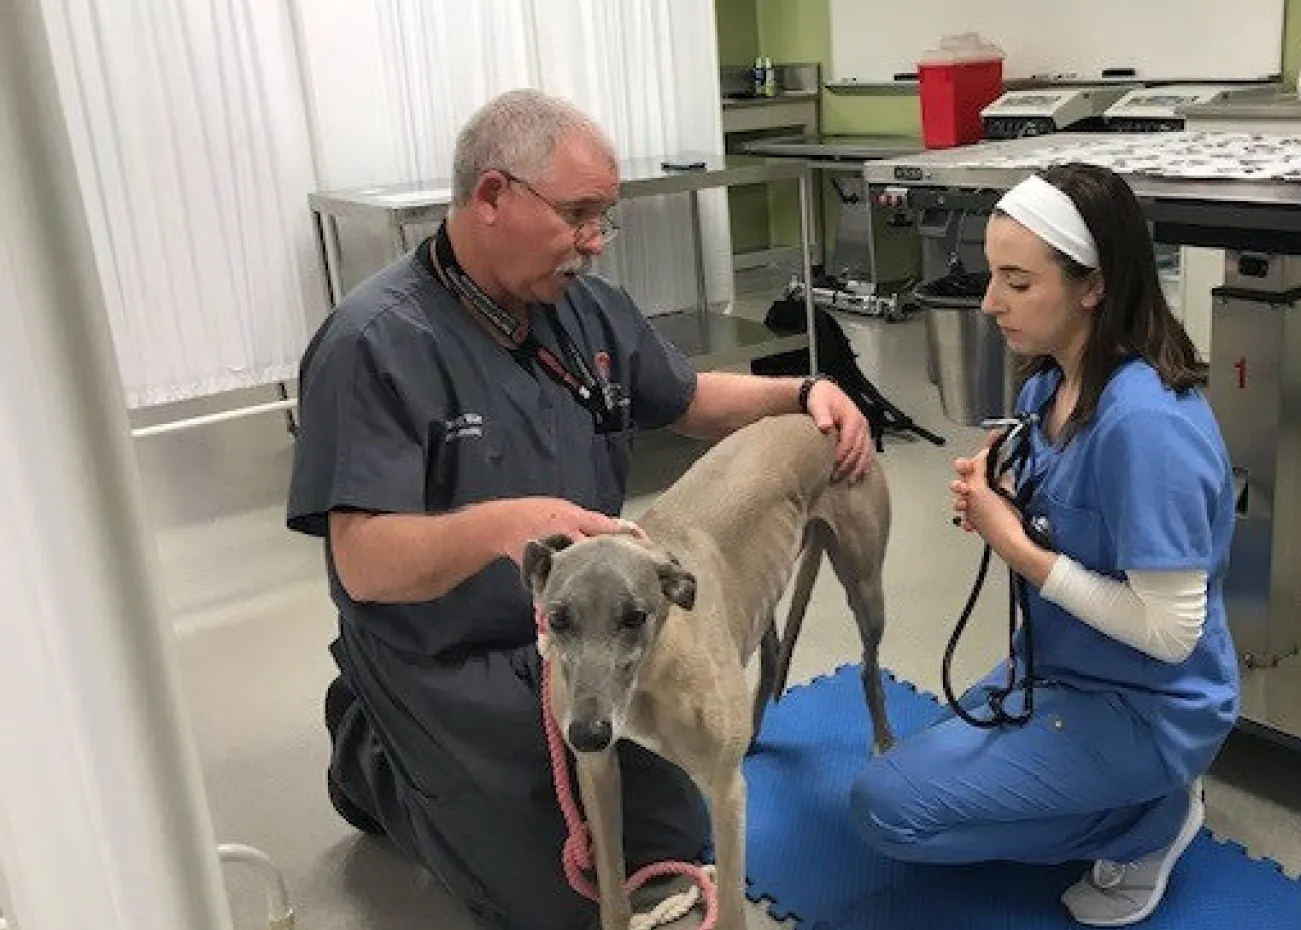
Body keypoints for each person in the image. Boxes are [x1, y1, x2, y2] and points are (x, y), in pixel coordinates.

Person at [286, 88, 874, 930]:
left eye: (606, 217)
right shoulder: (373, 343)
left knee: (673, 830)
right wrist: (500, 529)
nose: (595, 241)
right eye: (579, 215)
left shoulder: (583, 307)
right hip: (445, 654)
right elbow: (364, 564)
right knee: (549, 900)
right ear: (492, 197)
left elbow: (687, 396)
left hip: (584, 629)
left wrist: (805, 390)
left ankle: (450, 777)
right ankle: (370, 754)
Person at [848, 163, 1240, 926]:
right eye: (992, 275)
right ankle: (1128, 793)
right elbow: (1058, 492)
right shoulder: (1046, 387)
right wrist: (1003, 482)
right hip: (1062, 669)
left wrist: (1018, 547)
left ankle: (1150, 824)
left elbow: (1170, 633)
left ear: (1092, 285)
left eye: (1017, 283)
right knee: (909, 773)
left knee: (886, 812)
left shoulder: (1148, 425)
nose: (990, 303)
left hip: (1150, 702)